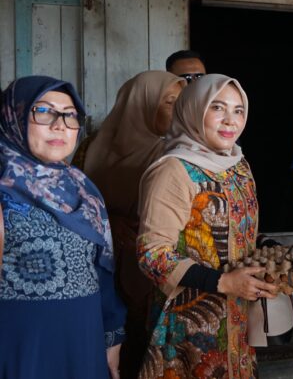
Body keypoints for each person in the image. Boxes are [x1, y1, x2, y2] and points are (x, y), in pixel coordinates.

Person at [137, 75, 278, 379]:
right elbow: (152, 255)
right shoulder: (173, 170)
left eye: (239, 110)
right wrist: (223, 282)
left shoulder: (238, 165)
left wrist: (267, 247)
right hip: (189, 328)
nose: (230, 120)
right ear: (193, 110)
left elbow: (237, 230)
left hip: (237, 319)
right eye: (217, 108)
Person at [0, 76, 126, 378]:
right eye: (44, 112)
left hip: (83, 340)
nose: (60, 126)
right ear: (14, 116)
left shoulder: (84, 189)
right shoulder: (3, 187)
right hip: (19, 343)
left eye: (70, 115)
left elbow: (102, 272)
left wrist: (112, 337)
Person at [81, 71, 186, 379]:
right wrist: (110, 224)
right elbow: (71, 203)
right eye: (170, 102)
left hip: (150, 275)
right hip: (95, 269)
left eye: (182, 102)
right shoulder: (90, 148)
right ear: (140, 103)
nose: (179, 110)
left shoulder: (174, 154)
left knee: (144, 355)